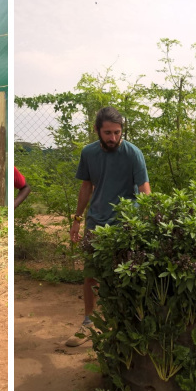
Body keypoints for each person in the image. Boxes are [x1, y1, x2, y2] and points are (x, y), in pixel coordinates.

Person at [65, 106, 150, 346]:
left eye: (117, 132)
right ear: (97, 131)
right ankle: (88, 324)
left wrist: (147, 219)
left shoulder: (133, 153)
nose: (113, 138)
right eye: (108, 133)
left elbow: (144, 188)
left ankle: (120, 326)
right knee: (91, 275)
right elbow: (86, 187)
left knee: (124, 275)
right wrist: (77, 219)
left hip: (125, 223)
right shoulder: (89, 153)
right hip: (96, 222)